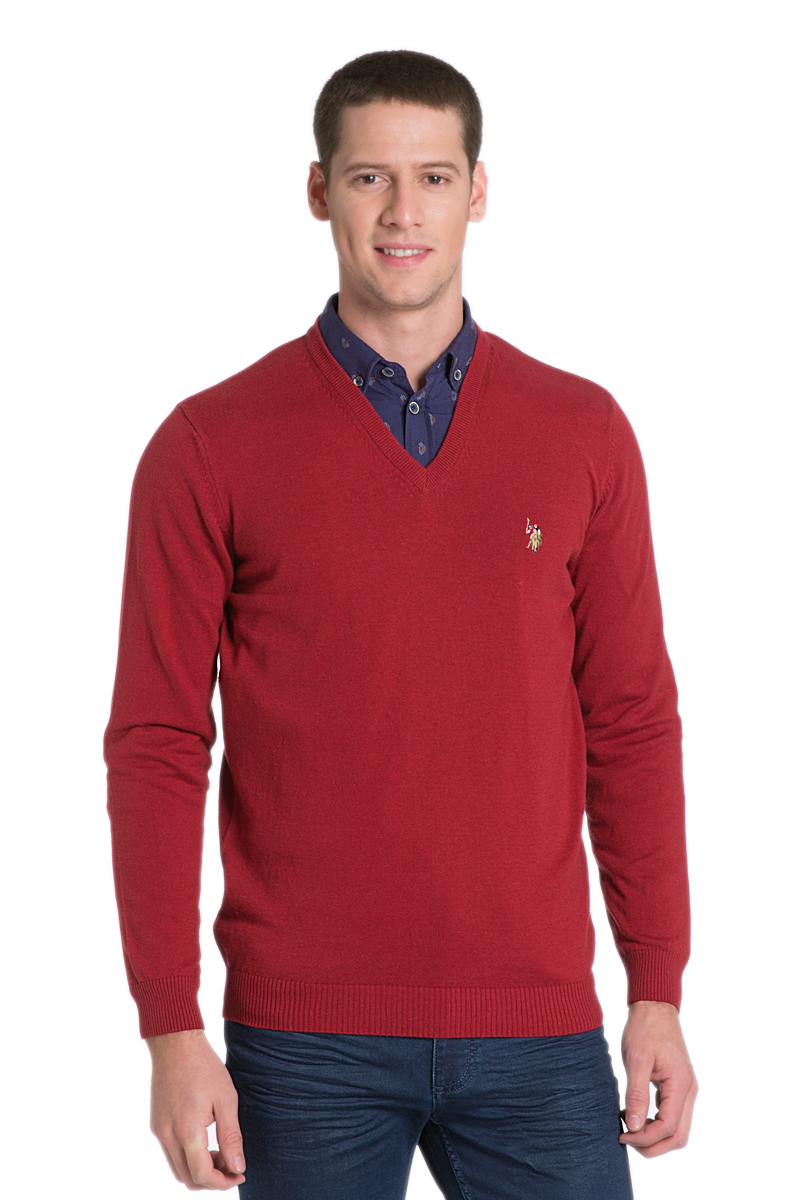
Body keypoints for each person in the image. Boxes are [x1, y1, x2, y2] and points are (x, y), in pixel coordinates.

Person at [103, 48, 697, 1198]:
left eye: (432, 177)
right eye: (369, 177)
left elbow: (630, 721)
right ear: (317, 190)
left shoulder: (580, 432)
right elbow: (158, 743)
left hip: (535, 1027)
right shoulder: (209, 445)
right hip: (303, 1040)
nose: (401, 212)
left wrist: (656, 987)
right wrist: (171, 1027)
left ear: (477, 192)